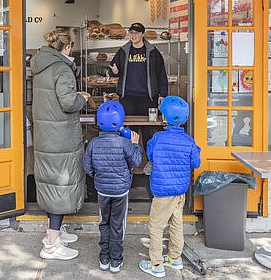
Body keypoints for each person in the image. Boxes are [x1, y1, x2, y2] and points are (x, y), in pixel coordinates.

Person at [30, 29, 90, 260]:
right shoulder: (62, 69)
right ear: (67, 48)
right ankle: (52, 244)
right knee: (60, 184)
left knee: (51, 181)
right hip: (61, 136)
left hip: (46, 134)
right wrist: (82, 98)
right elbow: (67, 103)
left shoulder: (41, 66)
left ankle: (53, 232)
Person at [138, 96, 201, 278]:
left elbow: (150, 155)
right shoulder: (189, 141)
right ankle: (175, 257)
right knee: (176, 223)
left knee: (156, 227)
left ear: (164, 118)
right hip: (180, 190)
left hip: (162, 191)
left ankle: (156, 264)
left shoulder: (157, 138)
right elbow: (195, 163)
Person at [83, 100, 143, 274]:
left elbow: (87, 167)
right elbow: (137, 162)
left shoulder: (93, 143)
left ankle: (104, 258)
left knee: (104, 222)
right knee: (117, 225)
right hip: (121, 191)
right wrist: (135, 145)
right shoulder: (124, 143)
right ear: (120, 121)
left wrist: (98, 177)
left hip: (102, 190)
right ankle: (115, 260)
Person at [108, 22, 168, 169]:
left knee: (148, 130)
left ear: (142, 34)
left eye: (136, 33)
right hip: (128, 97)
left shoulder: (153, 52)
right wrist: (113, 72)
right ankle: (129, 161)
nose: (133, 35)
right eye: (131, 33)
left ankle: (150, 161)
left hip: (148, 97)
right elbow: (111, 70)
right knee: (129, 129)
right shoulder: (123, 51)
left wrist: (162, 94)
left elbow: (161, 74)